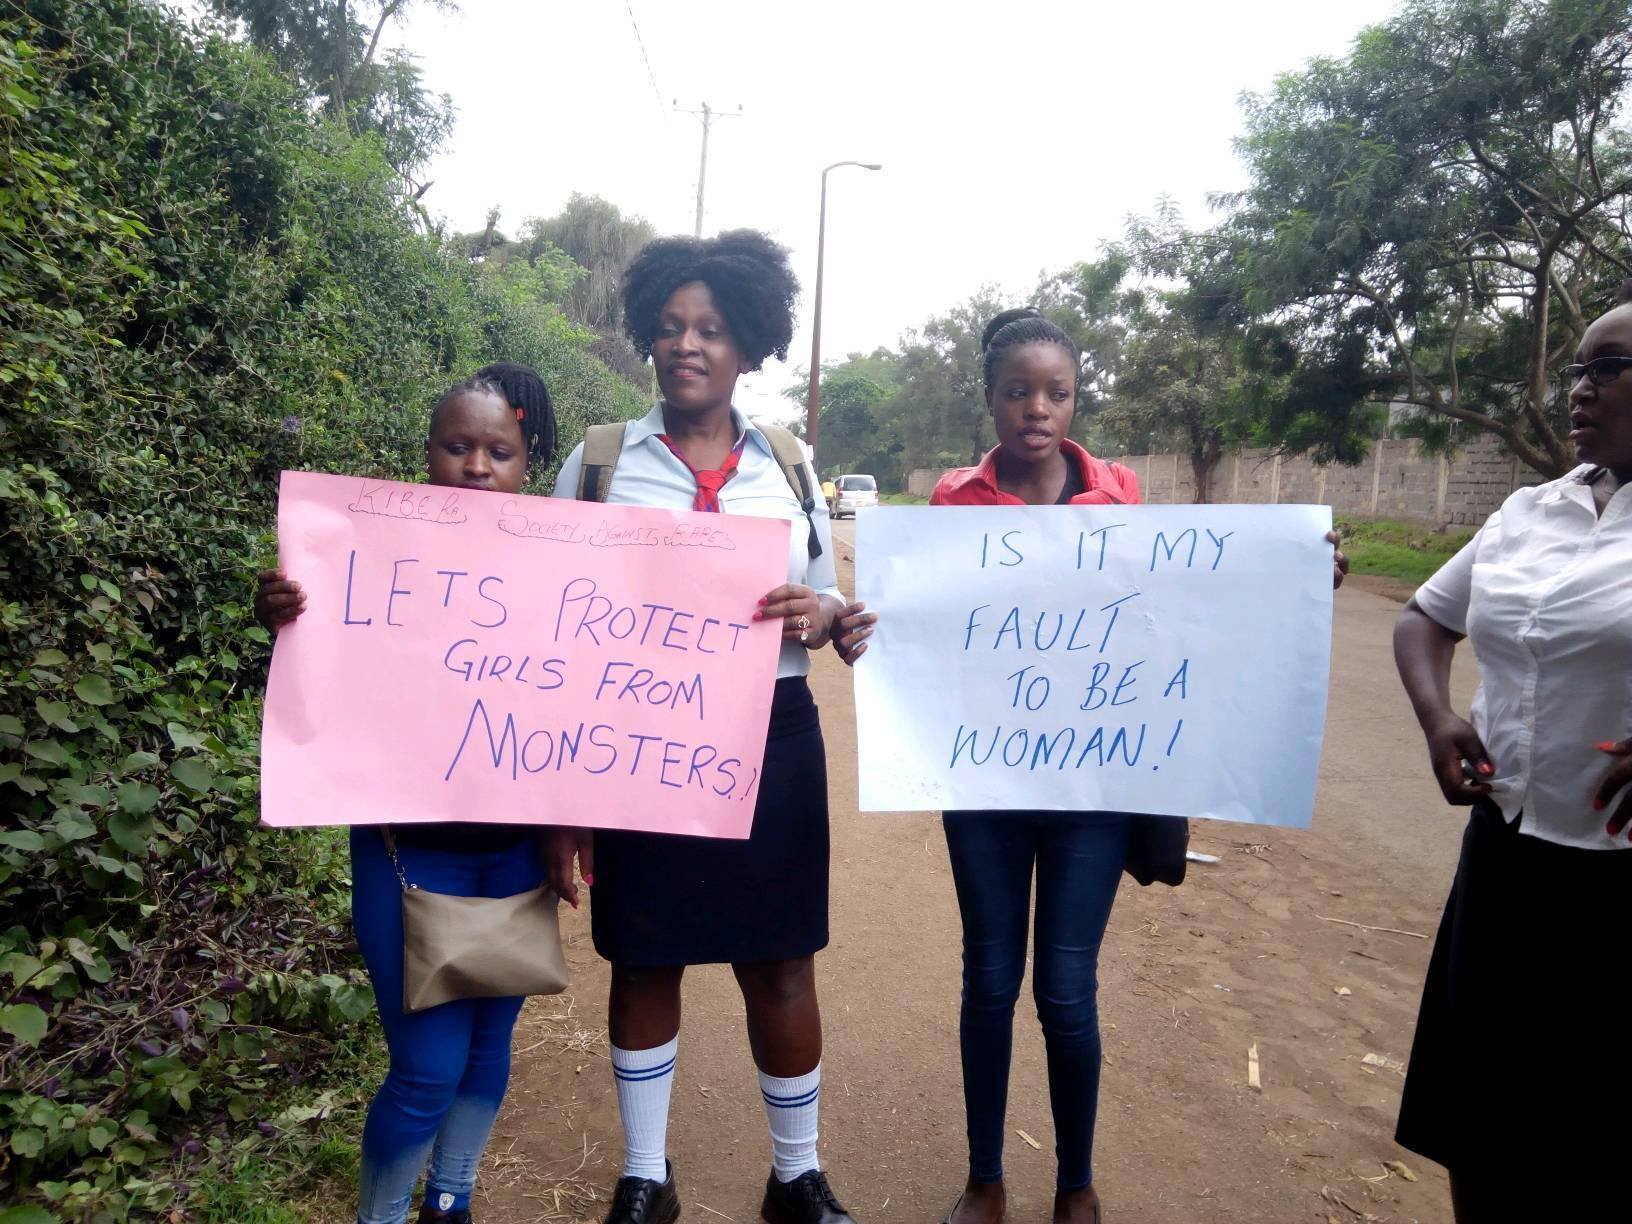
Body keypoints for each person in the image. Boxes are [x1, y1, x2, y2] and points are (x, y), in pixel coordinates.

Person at [903, 308, 1347, 1224]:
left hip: (1092, 787)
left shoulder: (1121, 499)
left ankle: (1076, 1183)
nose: (1037, 408)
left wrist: (1295, 578)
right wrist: (877, 629)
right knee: (989, 983)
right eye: (1018, 391)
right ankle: (986, 1180)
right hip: (984, 783)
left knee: (1067, 990)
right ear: (990, 399)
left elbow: (1179, 609)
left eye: (1056, 392)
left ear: (1075, 401)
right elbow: (929, 628)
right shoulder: (954, 504)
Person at [543, 230, 868, 1224]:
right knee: (645, 957)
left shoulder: (790, 465)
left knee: (781, 960)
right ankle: (646, 1177)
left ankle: (796, 1177)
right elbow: (546, 632)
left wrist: (820, 614)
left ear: (749, 345)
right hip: (637, 744)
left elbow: (828, 603)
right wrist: (564, 803)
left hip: (772, 735)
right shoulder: (599, 464)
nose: (688, 344)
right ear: (648, 338)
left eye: (713, 329)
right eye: (671, 327)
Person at [255, 363, 557, 1224]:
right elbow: (322, 662)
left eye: (499, 451)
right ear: (426, 451)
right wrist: (282, 615)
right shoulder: (367, 554)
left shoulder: (559, 566)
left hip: (514, 858)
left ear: (527, 463)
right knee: (426, 1069)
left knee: (488, 1050)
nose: (476, 465)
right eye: (457, 445)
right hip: (407, 856)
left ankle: (451, 1200)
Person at [1391, 298, 1632, 1221]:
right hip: (1504, 854)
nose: (1581, 390)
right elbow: (1425, 615)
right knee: (1479, 1107)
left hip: (1616, 871)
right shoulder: (1530, 510)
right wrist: (1438, 718)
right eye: (1577, 370)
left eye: (1608, 368)